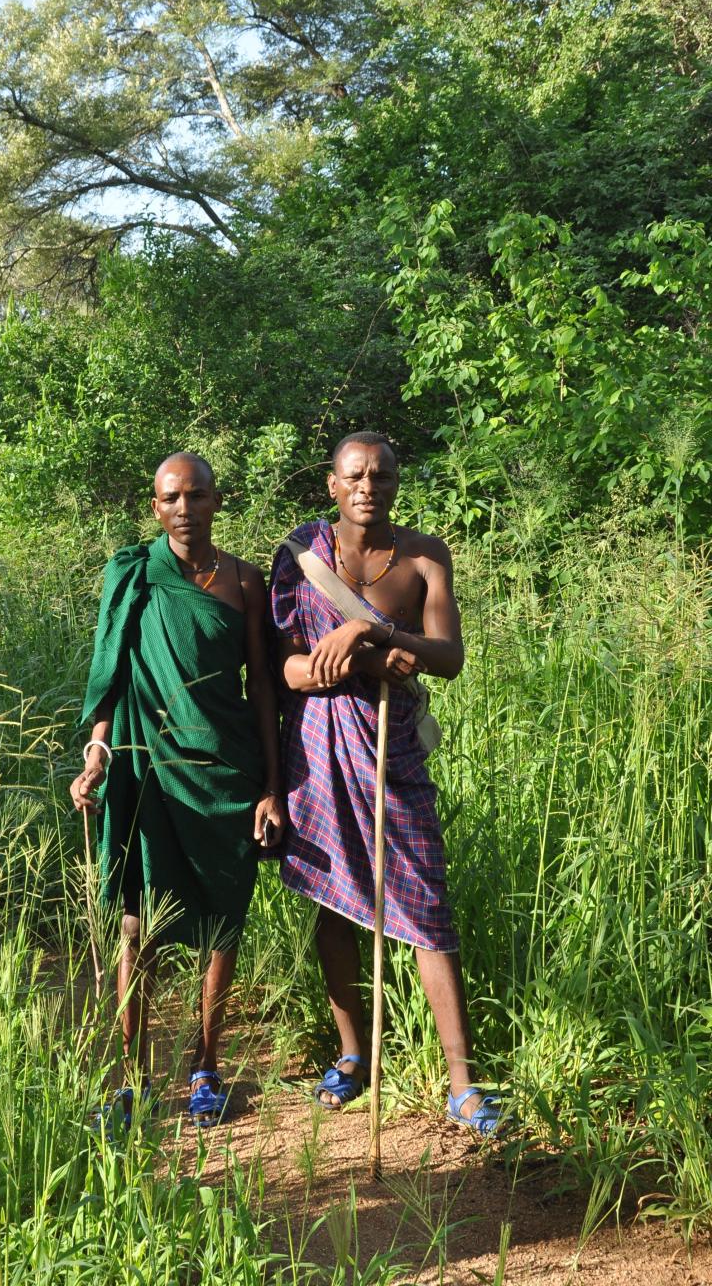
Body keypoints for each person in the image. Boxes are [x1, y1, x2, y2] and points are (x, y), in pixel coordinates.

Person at [268, 431, 501, 1134]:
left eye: (383, 475)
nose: (370, 486)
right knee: (336, 904)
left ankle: (463, 1084)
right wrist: (348, 661)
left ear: (397, 484)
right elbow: (288, 670)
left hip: (391, 749)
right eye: (356, 476)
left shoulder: (425, 558)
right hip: (318, 748)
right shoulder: (300, 558)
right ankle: (352, 1054)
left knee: (427, 904)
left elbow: (449, 657)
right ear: (333, 487)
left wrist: (371, 637)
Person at [71, 452, 285, 1129]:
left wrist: (272, 786)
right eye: (171, 497)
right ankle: (132, 1080)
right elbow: (111, 674)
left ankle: (205, 1066)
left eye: (196, 495)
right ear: (155, 506)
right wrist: (99, 753)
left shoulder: (247, 583)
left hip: (225, 771)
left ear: (218, 501)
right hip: (146, 769)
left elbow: (263, 693)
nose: (184, 507)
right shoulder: (132, 575)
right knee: (139, 924)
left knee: (223, 920)